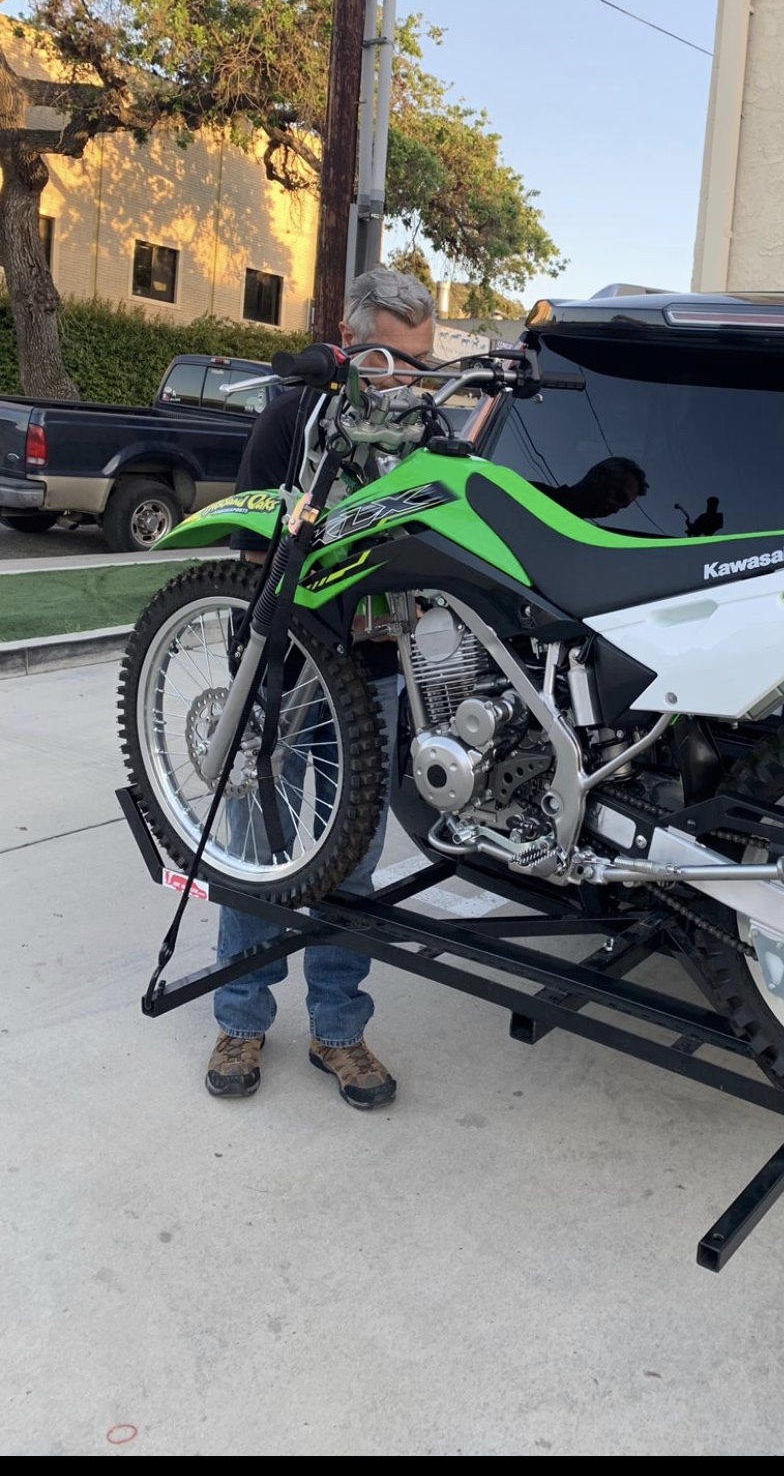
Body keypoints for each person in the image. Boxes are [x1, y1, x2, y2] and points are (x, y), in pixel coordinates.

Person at [205, 266, 437, 1109]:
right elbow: (250, 544)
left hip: (372, 675)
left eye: (421, 362)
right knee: (258, 850)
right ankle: (241, 1018)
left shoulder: (428, 433)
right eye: (391, 358)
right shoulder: (293, 414)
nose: (406, 379)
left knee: (352, 860)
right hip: (281, 666)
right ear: (349, 340)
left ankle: (338, 1030)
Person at [534, 456, 648, 521]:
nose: (615, 510)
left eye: (623, 507)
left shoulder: (584, 541)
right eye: (619, 496)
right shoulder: (531, 496)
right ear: (599, 475)